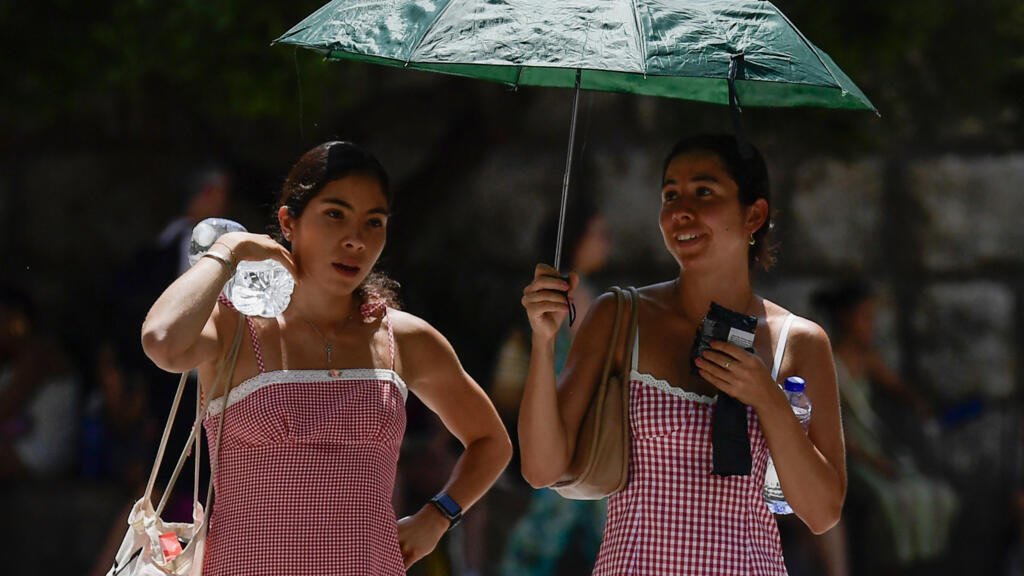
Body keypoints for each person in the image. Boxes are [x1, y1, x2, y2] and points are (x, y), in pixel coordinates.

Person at [140, 141, 512, 575]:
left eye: (374, 222)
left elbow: (491, 442)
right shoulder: (235, 327)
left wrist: (439, 515)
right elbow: (161, 342)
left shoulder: (404, 338)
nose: (355, 239)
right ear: (288, 222)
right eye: (335, 214)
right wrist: (229, 251)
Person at [518, 134, 846, 575]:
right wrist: (542, 342)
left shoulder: (800, 342)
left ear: (754, 214)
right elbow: (542, 470)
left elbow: (822, 514)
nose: (680, 211)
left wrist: (766, 398)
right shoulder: (619, 316)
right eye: (670, 194)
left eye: (704, 192)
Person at [494, 201, 611, 576]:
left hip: (575, 433)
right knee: (551, 534)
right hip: (566, 432)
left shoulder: (581, 295)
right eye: (597, 234)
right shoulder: (567, 297)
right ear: (576, 240)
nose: (605, 242)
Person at [810, 278, 958, 574]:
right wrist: (874, 462)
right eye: (865, 317)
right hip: (849, 457)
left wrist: (920, 406)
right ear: (846, 319)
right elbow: (830, 429)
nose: (871, 325)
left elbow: (898, 387)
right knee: (891, 502)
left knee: (934, 496)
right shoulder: (827, 362)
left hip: (876, 451)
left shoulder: (866, 359)